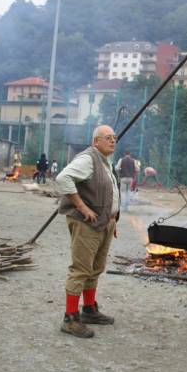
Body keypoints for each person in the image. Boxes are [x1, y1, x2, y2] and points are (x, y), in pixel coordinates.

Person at [55, 125, 120, 339]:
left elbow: (107, 192)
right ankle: (70, 319)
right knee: (81, 269)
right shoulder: (87, 159)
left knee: (95, 268)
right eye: (107, 138)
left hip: (104, 223)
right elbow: (63, 179)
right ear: (96, 141)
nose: (112, 141)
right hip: (86, 224)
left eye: (114, 137)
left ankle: (89, 310)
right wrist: (82, 207)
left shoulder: (106, 162)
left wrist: (112, 218)